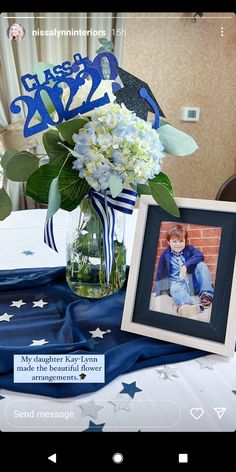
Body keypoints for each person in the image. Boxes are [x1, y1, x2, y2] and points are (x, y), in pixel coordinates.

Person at [154, 224, 214, 316]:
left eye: (181, 241)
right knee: (175, 288)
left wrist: (185, 265)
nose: (178, 244)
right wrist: (158, 291)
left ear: (185, 241)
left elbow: (200, 256)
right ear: (169, 242)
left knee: (201, 265)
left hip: (191, 284)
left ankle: (206, 296)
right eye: (174, 241)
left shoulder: (189, 249)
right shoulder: (165, 255)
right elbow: (160, 272)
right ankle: (188, 305)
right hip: (177, 284)